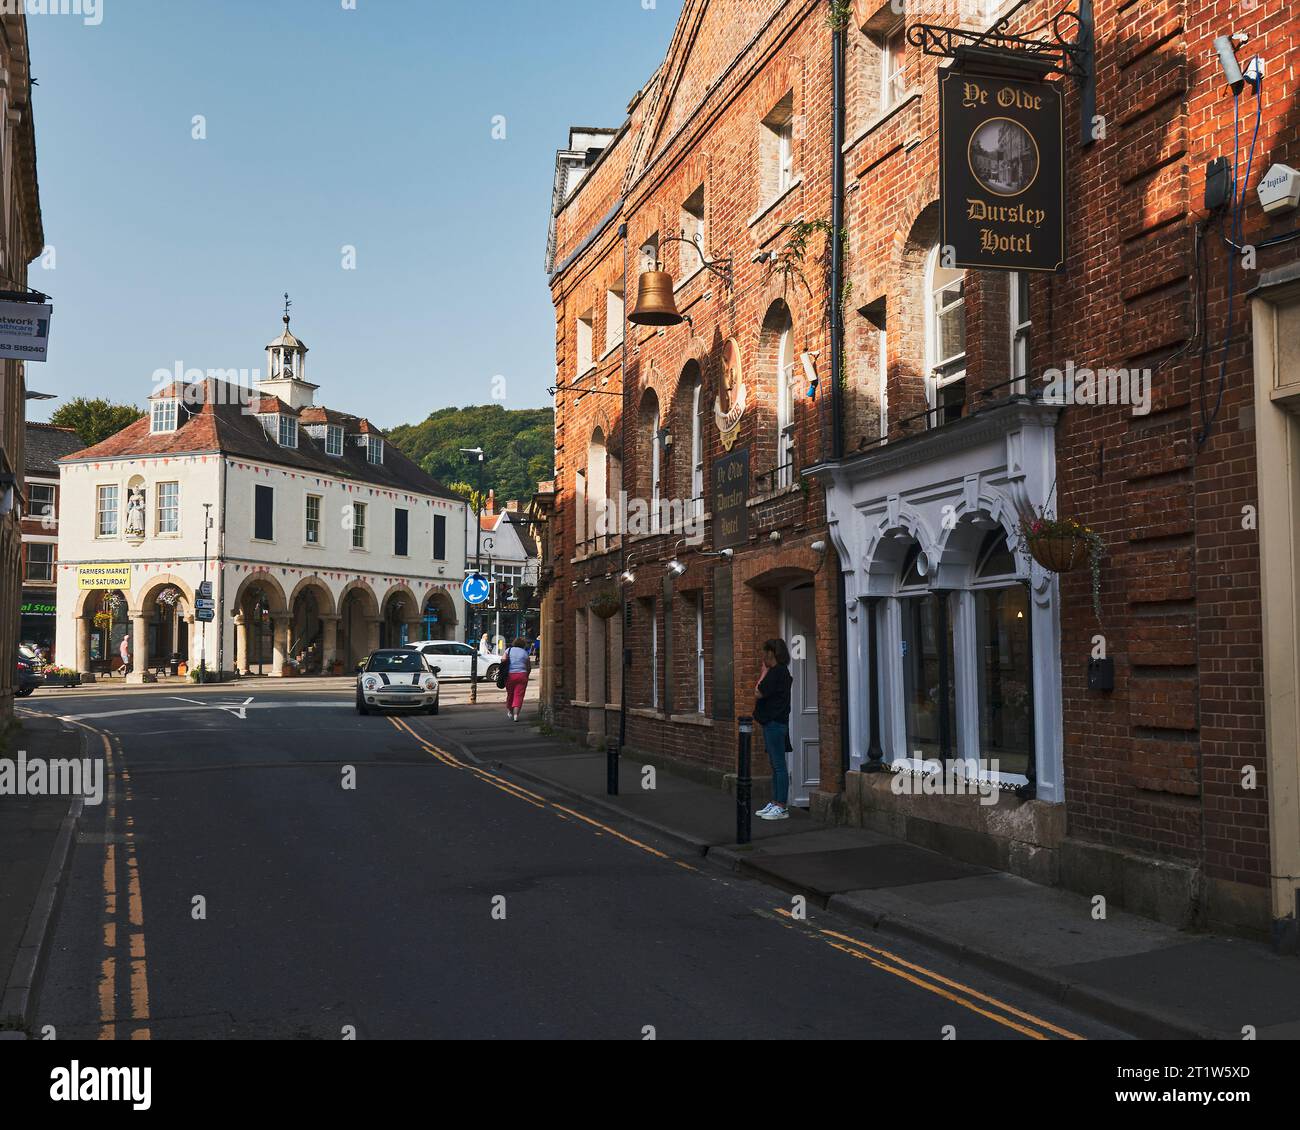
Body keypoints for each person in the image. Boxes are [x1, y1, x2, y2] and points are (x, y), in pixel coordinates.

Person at [754, 638, 793, 820]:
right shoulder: (781, 672)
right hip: (774, 723)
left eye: (766, 652)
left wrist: (763, 672)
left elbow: (758, 691)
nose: (763, 656)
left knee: (779, 766)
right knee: (775, 765)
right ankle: (776, 802)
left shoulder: (777, 672)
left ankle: (781, 806)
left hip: (775, 724)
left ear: (773, 653)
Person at [503, 636, 531, 721]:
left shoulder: (509, 650)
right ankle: (516, 715)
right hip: (522, 675)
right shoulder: (525, 653)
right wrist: (527, 675)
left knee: (510, 694)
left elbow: (503, 660)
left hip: (510, 675)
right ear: (523, 644)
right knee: (519, 695)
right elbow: (528, 667)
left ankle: (510, 712)